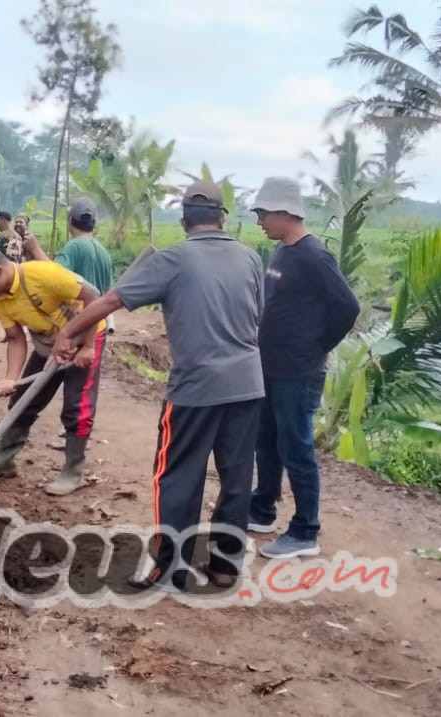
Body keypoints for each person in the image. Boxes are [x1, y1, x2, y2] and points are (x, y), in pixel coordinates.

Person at [52, 180, 265, 593]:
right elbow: (258, 315)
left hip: (195, 388)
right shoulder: (250, 257)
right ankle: (225, 566)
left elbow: (112, 301)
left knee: (177, 476)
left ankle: (171, 567)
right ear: (223, 217)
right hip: (247, 385)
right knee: (237, 477)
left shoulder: (173, 259)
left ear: (184, 220)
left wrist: (69, 333)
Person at [247, 177, 361, 559]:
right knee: (267, 441)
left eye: (264, 213)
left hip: (298, 371)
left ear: (285, 212)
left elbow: (347, 306)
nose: (260, 220)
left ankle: (305, 530)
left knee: (295, 446)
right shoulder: (282, 252)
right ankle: (262, 508)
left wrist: (317, 346)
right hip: (272, 367)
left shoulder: (314, 256)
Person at [0, 248, 107, 496]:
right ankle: (5, 460)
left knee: (77, 406)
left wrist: (86, 346)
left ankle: (72, 472)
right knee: (23, 399)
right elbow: (15, 338)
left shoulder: (43, 274)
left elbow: (94, 297)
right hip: (50, 344)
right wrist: (11, 378)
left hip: (86, 335)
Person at [0, 211, 42, 342]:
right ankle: (12, 333)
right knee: (14, 304)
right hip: (16, 275)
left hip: (1, 274)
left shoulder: (1, 237)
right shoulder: (18, 237)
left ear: (3, 220)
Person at [56, 198, 117, 335]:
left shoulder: (72, 248)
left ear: (70, 221)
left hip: (75, 324)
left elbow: (54, 277)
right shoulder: (104, 252)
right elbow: (107, 291)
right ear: (94, 224)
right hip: (96, 326)